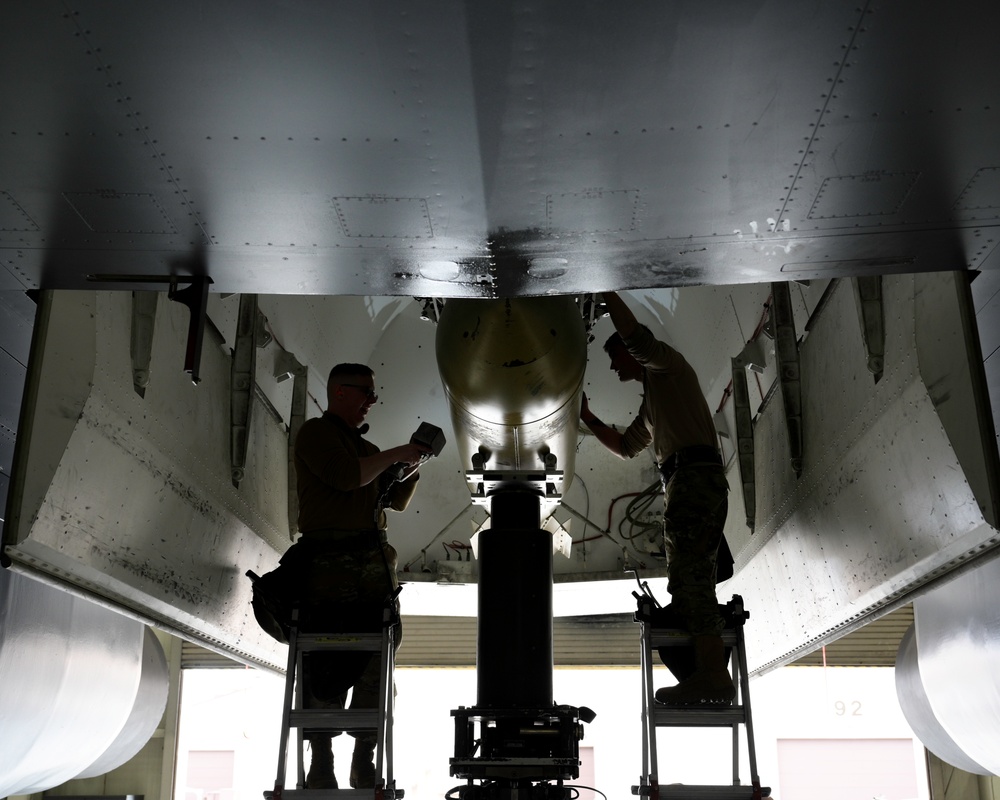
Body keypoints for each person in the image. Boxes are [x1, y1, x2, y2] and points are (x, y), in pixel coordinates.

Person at [580, 292, 735, 706]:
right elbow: (627, 446)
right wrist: (589, 419)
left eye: (616, 357)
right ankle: (705, 671)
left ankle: (713, 674)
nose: (614, 366)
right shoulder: (654, 402)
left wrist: (607, 294)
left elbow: (638, 340)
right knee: (684, 583)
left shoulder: (668, 368)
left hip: (693, 479)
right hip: (685, 483)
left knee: (692, 579)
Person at [289, 363, 430, 789]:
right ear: (340, 393)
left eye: (372, 392)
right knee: (324, 659)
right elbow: (347, 477)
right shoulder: (317, 434)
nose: (372, 399)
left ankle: (363, 757)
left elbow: (395, 500)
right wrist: (391, 455)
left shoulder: (364, 446)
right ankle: (321, 760)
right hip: (328, 566)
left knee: (375, 660)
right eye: (365, 392)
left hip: (370, 567)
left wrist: (410, 465)